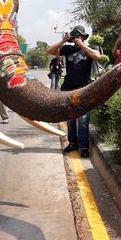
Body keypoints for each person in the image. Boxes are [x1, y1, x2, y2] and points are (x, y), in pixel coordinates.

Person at [46, 25, 101, 158]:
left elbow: (97, 57)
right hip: (68, 89)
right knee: (70, 118)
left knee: (83, 120)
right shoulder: (67, 49)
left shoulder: (91, 48)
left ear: (82, 37)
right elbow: (50, 51)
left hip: (84, 89)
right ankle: (72, 144)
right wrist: (63, 40)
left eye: (78, 36)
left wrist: (81, 45)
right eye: (74, 36)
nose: (76, 38)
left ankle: (83, 147)